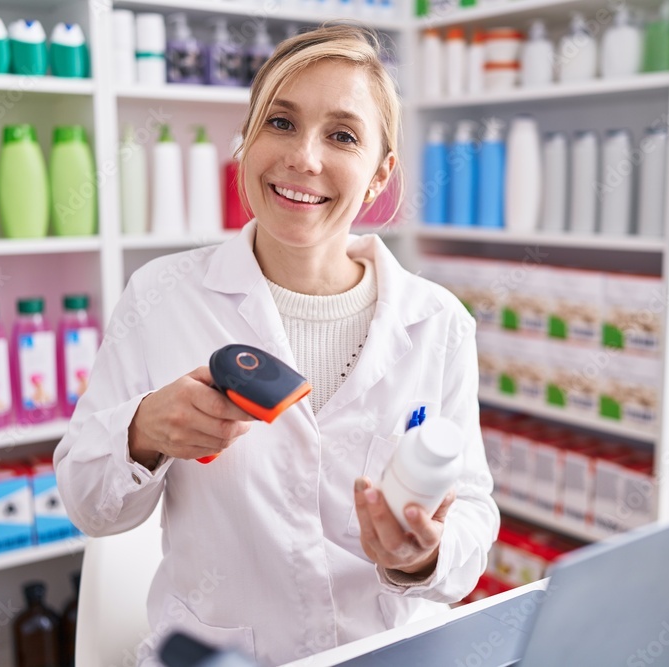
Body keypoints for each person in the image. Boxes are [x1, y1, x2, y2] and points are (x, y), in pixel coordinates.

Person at [54, 24, 499, 667]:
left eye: (342, 135)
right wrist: (143, 430)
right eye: (281, 123)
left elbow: (472, 515)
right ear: (247, 142)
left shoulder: (439, 324)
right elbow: (86, 502)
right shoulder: (160, 295)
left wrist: (423, 556)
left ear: (379, 175)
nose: (304, 158)